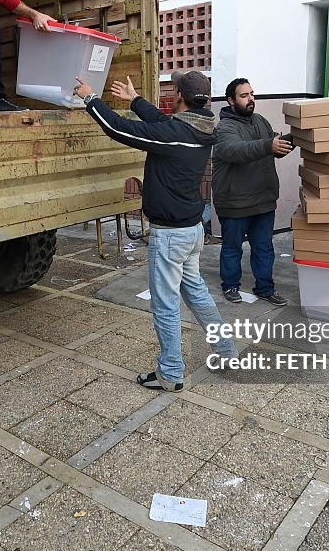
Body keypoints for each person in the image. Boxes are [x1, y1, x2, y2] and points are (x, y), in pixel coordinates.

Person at [73, 71, 238, 392]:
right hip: (191, 231)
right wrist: (135, 100)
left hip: (171, 236)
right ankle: (226, 350)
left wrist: (90, 98)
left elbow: (119, 129)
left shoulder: (176, 132)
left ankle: (172, 373)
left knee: (165, 305)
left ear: (178, 95)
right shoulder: (202, 127)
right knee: (197, 293)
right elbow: (162, 125)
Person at [212, 78, 293, 305]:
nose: (251, 99)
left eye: (252, 94)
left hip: (263, 199)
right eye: (244, 95)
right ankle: (230, 285)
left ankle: (265, 288)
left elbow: (273, 149)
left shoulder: (261, 121)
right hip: (235, 201)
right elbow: (234, 150)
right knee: (232, 248)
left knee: (264, 248)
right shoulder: (224, 128)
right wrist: (268, 145)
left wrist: (293, 140)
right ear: (230, 100)